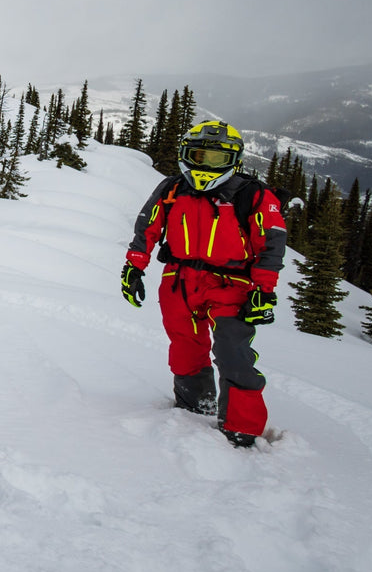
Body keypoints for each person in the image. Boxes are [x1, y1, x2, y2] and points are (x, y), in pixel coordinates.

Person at [121, 121, 286, 447]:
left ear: (232, 159)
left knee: (232, 352)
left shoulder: (252, 195)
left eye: (215, 158)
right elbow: (148, 225)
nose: (205, 165)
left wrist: (264, 290)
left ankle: (243, 429)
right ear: (186, 155)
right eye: (200, 156)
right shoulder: (173, 188)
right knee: (184, 347)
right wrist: (134, 267)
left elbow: (272, 242)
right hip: (179, 281)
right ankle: (194, 406)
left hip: (232, 284)